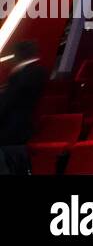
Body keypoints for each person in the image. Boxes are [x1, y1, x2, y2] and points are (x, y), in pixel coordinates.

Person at [0, 40, 48, 175]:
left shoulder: (25, 74)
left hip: (11, 131)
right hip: (18, 130)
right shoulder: (32, 72)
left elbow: (8, 102)